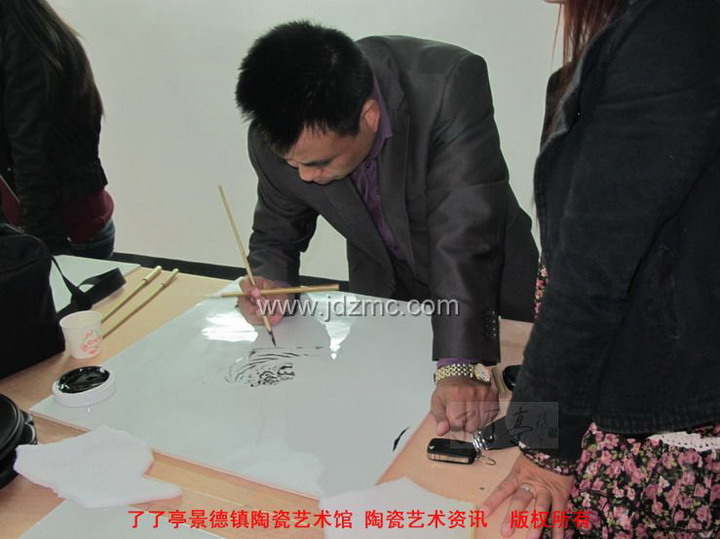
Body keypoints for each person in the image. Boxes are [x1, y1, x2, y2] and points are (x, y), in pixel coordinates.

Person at [483, 0, 720, 537]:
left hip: (656, 423)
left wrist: (541, 445)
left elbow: (588, 273)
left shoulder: (673, 30)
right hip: (629, 393)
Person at [234, 21, 538, 435]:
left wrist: (459, 363)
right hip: (384, 294)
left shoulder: (446, 86)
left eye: (320, 163)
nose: (305, 176)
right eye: (293, 164)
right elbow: (276, 230)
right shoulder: (278, 135)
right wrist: (271, 280)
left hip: (488, 292)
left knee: (530, 432)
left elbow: (463, 234)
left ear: (370, 116)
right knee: (390, 433)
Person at [0, 0, 114, 259]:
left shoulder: (25, 42)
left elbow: (33, 154)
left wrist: (41, 249)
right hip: (39, 228)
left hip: (60, 231)